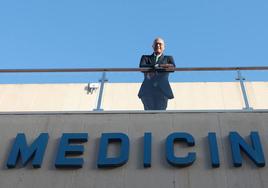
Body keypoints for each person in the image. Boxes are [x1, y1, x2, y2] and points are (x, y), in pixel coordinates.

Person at [138, 37, 176, 110]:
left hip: (162, 90)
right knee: (149, 114)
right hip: (147, 90)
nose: (158, 46)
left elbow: (172, 68)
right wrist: (157, 66)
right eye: (156, 44)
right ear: (152, 46)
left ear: (164, 47)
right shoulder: (145, 58)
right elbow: (142, 67)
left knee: (160, 114)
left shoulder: (168, 58)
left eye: (160, 44)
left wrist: (157, 66)